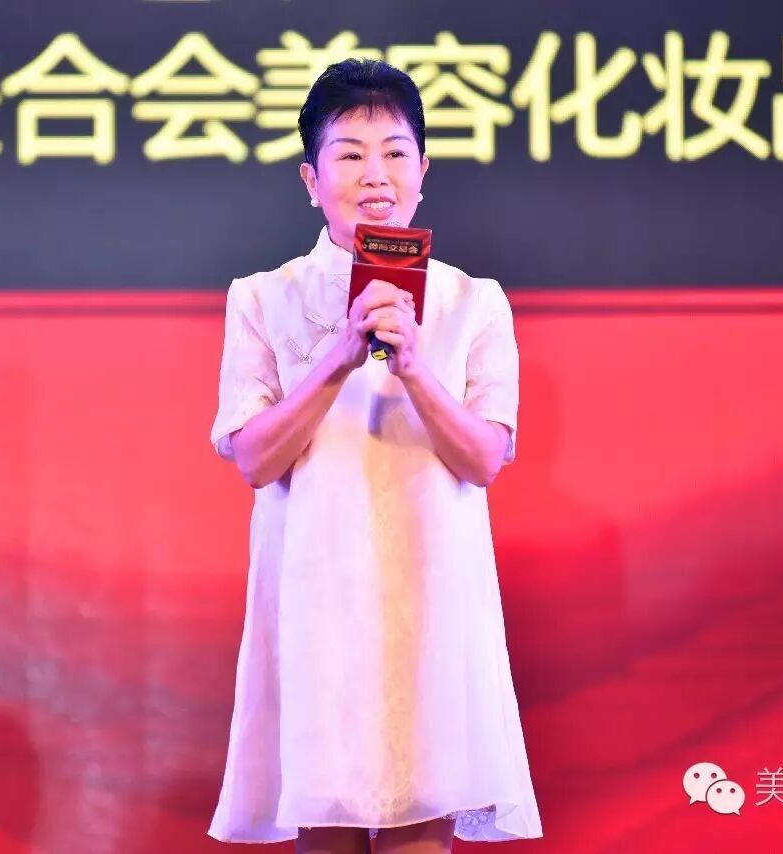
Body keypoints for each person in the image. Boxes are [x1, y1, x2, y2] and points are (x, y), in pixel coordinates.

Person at [208, 58, 543, 854]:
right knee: (324, 828)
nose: (375, 175)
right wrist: (339, 356)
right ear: (311, 178)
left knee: (419, 831)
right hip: (315, 607)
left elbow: (483, 459)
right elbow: (255, 459)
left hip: (432, 604)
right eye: (350, 154)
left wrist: (416, 365)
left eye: (395, 153)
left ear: (423, 171)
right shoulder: (263, 297)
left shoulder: (473, 302)